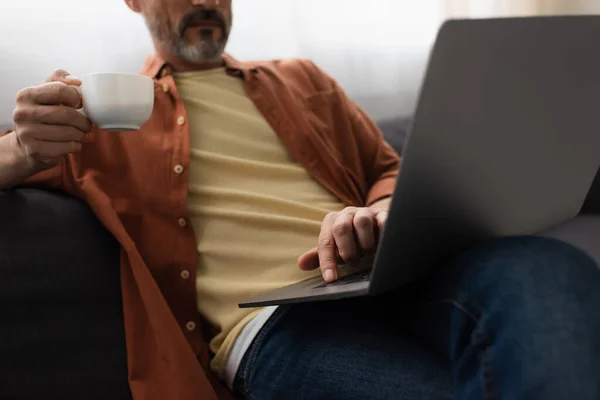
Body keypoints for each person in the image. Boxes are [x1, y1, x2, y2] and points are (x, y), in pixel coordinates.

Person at [1, 0, 599, 399]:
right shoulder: (94, 117)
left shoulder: (302, 78)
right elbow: (18, 156)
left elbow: (388, 171)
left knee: (543, 267)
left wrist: (381, 213)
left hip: (386, 276)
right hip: (273, 326)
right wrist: (25, 148)